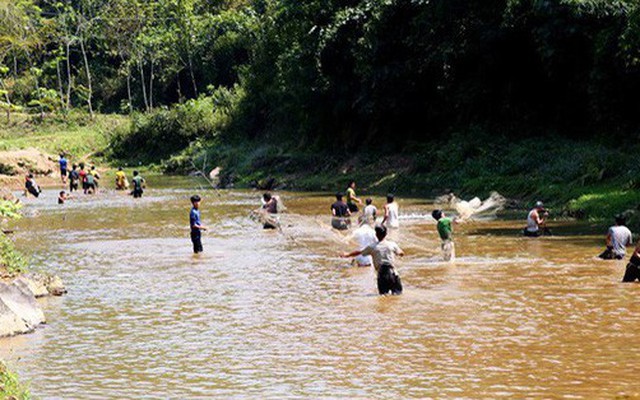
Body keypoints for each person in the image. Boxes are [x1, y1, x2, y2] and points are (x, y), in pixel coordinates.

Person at [341, 225, 405, 295]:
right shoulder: (392, 244)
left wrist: (348, 255)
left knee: (383, 298)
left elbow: (360, 252)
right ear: (386, 234)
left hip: (381, 275)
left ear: (376, 235)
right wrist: (400, 253)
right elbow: (401, 253)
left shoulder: (372, 247)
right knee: (398, 296)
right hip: (393, 274)